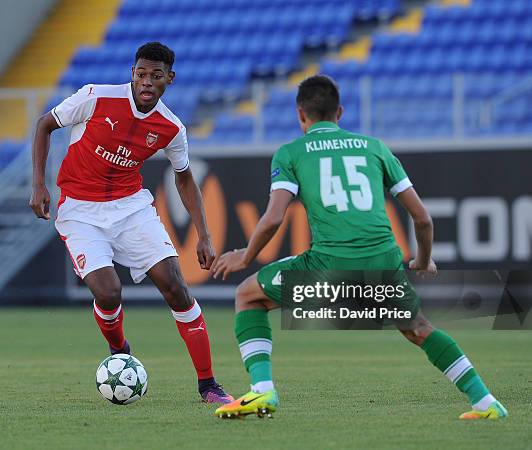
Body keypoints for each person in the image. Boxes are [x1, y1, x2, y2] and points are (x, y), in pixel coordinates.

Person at [210, 75, 507, 419]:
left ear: (300, 115)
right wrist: (423, 262)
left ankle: (262, 391)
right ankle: (486, 402)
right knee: (418, 328)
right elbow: (422, 218)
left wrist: (244, 255)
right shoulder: (374, 147)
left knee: (248, 295)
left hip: (330, 263)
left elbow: (274, 218)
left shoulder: (290, 152)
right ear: (340, 112)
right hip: (384, 260)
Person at [29, 41, 233, 404]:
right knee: (108, 292)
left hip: (130, 208)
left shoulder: (171, 127)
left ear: (169, 79)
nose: (147, 82)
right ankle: (119, 350)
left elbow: (184, 178)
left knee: (176, 287)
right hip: (79, 210)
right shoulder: (95, 97)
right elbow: (45, 125)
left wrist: (203, 235)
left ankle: (208, 385)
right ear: (132, 74)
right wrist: (39, 184)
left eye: (156, 76)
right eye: (141, 74)